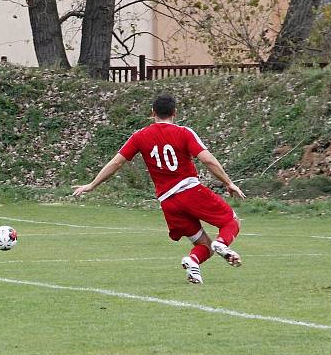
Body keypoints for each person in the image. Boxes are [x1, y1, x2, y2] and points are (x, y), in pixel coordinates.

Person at [72, 94, 245, 284]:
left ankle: (192, 262)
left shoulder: (139, 136)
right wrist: (229, 183)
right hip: (190, 192)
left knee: (203, 244)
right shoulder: (184, 132)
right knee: (231, 221)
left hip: (168, 203)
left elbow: (116, 162)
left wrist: (92, 185)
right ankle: (221, 244)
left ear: (152, 113)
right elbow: (207, 159)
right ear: (175, 113)